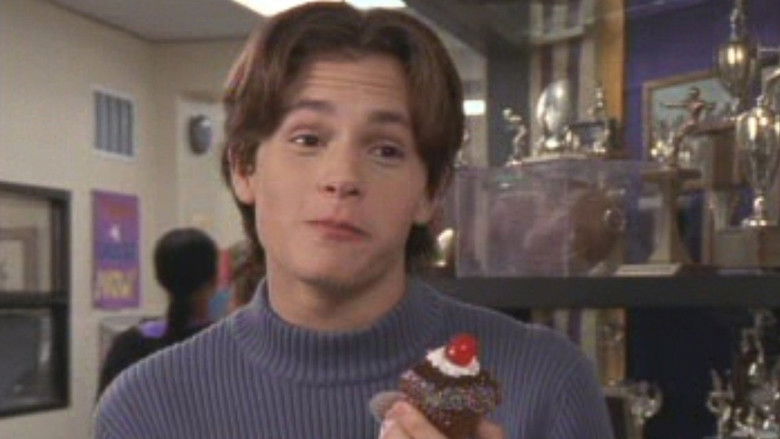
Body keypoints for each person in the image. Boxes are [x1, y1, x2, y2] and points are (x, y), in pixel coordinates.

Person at [94, 3, 614, 438]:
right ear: (244, 168)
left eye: (386, 150)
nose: (342, 178)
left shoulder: (545, 383)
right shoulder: (147, 408)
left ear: (430, 192)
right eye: (308, 140)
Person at [96, 228, 217, 397]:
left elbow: (106, 410)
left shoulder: (129, 346)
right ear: (214, 280)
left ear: (160, 280)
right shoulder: (223, 348)